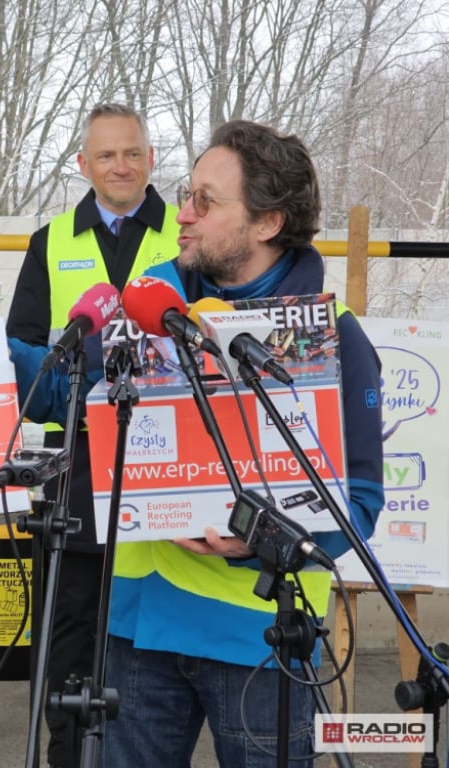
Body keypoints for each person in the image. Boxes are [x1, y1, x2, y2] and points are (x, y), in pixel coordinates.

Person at [94, 121, 385, 766]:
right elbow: (73, 393)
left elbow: (358, 503)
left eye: (206, 200)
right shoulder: (147, 309)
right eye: (185, 194)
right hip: (137, 631)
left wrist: (262, 542)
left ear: (266, 223)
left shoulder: (334, 338)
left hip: (259, 643)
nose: (182, 215)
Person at [4, 102, 179, 768]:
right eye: (106, 155)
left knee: (148, 646)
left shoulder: (184, 234)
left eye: (132, 152)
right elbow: (23, 351)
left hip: (167, 467)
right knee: (72, 638)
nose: (121, 166)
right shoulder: (52, 241)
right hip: (77, 466)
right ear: (83, 164)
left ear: (150, 158)